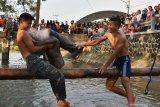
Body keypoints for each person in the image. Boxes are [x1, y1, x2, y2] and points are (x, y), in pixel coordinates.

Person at [77, 17, 135, 107]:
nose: (108, 26)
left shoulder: (121, 37)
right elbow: (96, 41)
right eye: (108, 24)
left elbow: (115, 53)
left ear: (117, 26)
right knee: (109, 86)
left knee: (125, 80)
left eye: (110, 25)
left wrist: (105, 66)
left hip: (124, 59)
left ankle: (131, 104)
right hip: (117, 60)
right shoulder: (108, 34)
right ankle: (131, 97)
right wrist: (83, 44)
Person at [16, 13, 70, 107]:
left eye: (30, 24)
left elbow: (33, 47)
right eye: (28, 23)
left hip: (32, 60)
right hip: (33, 61)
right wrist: (47, 46)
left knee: (53, 76)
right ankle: (61, 100)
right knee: (59, 75)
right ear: (22, 21)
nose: (29, 26)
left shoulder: (21, 32)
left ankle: (59, 98)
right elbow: (32, 49)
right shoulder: (23, 33)